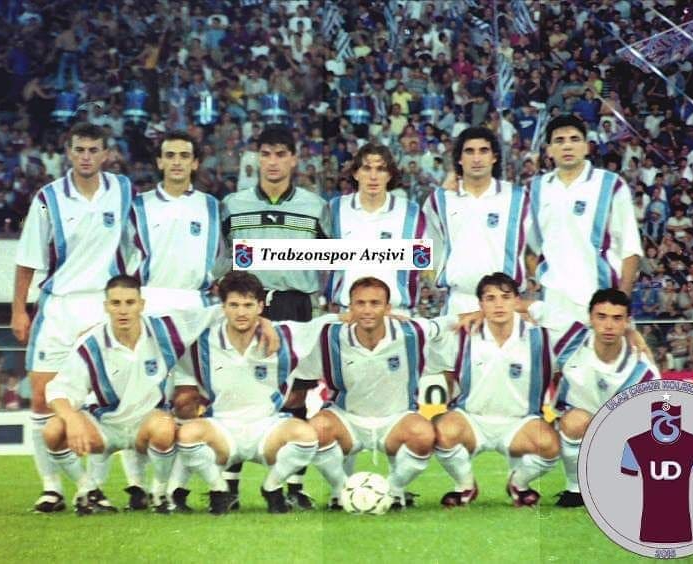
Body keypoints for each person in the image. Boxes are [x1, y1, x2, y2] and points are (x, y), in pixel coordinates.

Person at [11, 122, 135, 513]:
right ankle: (52, 488)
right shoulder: (47, 198)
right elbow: (27, 258)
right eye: (79, 149)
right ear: (69, 152)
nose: (86, 156)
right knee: (41, 401)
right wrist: (18, 309)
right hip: (58, 308)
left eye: (93, 149)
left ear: (106, 154)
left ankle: (93, 488)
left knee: (99, 403)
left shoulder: (123, 190)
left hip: (102, 308)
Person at [42, 275, 231, 514]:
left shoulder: (166, 330)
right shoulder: (91, 344)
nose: (123, 310)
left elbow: (221, 312)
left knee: (164, 426)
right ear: (106, 306)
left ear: (141, 304)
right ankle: (88, 490)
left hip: (147, 424)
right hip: (106, 426)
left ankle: (159, 493)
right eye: (116, 303)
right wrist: (71, 418)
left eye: (130, 303)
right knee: (53, 429)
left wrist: (264, 323)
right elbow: (59, 389)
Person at [219, 125, 331, 506]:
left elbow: (335, 259)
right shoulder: (233, 205)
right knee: (240, 391)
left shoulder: (316, 207)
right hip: (247, 306)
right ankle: (228, 488)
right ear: (256, 158)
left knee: (297, 392)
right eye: (266, 154)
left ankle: (293, 486)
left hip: (296, 304)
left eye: (281, 154)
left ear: (294, 159)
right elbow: (221, 261)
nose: (273, 162)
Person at [118, 129, 227, 510]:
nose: (177, 162)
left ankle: (170, 490)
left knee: (188, 400)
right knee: (138, 401)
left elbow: (224, 259)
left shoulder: (212, 207)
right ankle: (135, 486)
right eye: (170, 155)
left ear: (195, 163)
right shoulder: (139, 206)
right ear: (159, 161)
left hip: (195, 308)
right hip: (149, 305)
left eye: (184, 155)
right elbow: (122, 259)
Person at [175, 272, 336, 514]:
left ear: (261, 307)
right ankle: (219, 490)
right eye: (234, 305)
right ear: (222, 307)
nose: (241, 312)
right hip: (222, 428)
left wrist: (355, 316)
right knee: (187, 435)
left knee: (306, 436)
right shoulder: (203, 342)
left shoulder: (282, 336)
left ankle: (272, 488)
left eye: (248, 305)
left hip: (267, 428)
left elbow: (322, 324)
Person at [302, 277, 457, 509]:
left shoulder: (411, 332)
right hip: (348, 419)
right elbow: (298, 335)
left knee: (424, 434)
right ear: (350, 307)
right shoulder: (330, 335)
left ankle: (393, 490)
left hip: (395, 420)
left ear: (388, 308)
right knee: (317, 428)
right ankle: (342, 490)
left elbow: (448, 323)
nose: (367, 310)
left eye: (375, 303)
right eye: (360, 303)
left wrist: (482, 313)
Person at [519, 288, 659, 507]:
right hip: (571, 425)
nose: (608, 325)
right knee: (573, 423)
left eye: (617, 318)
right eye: (601, 316)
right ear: (590, 317)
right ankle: (576, 490)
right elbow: (524, 305)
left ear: (627, 322)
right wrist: (479, 314)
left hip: (618, 434)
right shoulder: (571, 336)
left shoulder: (643, 371)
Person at [430, 273, 559, 508]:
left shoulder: (541, 337)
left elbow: (576, 324)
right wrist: (460, 317)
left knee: (550, 446)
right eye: (490, 298)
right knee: (440, 431)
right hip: (472, 419)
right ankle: (465, 486)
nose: (498, 304)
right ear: (480, 305)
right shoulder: (463, 336)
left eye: (505, 297)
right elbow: (431, 334)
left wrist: (533, 308)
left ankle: (519, 484)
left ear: (517, 301)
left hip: (520, 422)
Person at [529, 115, 642, 321]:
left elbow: (630, 249)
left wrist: (621, 302)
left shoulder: (610, 185)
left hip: (601, 299)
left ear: (586, 147)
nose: (567, 146)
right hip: (553, 301)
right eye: (559, 141)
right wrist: (540, 281)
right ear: (549, 150)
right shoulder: (537, 188)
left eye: (574, 139)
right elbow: (531, 248)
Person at [424, 127, 530, 314]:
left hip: (505, 303)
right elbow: (422, 248)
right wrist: (432, 281)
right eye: (469, 151)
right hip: (459, 302)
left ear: (494, 157)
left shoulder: (517, 198)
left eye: (483, 151)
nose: (477, 159)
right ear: (459, 159)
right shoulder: (440, 200)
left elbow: (535, 248)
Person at [327, 143, 424, 314]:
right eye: (366, 168)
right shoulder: (335, 209)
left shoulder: (412, 212)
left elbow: (421, 263)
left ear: (390, 174)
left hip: (395, 313)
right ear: (355, 173)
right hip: (349, 313)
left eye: (381, 169)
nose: (373, 176)